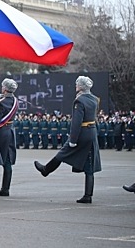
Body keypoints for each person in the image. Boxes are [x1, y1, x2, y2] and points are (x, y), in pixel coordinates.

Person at [34, 76, 102, 204]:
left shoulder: (79, 101)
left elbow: (76, 122)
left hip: (81, 133)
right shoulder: (94, 99)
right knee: (89, 165)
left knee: (62, 153)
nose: (76, 85)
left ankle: (46, 170)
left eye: (77, 83)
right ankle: (88, 195)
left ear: (81, 86)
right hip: (91, 132)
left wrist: (73, 139)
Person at [0, 78, 19, 197]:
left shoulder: (1, 103)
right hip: (11, 131)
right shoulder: (15, 101)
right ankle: (5, 188)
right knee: (7, 160)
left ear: (5, 88)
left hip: (2, 132)